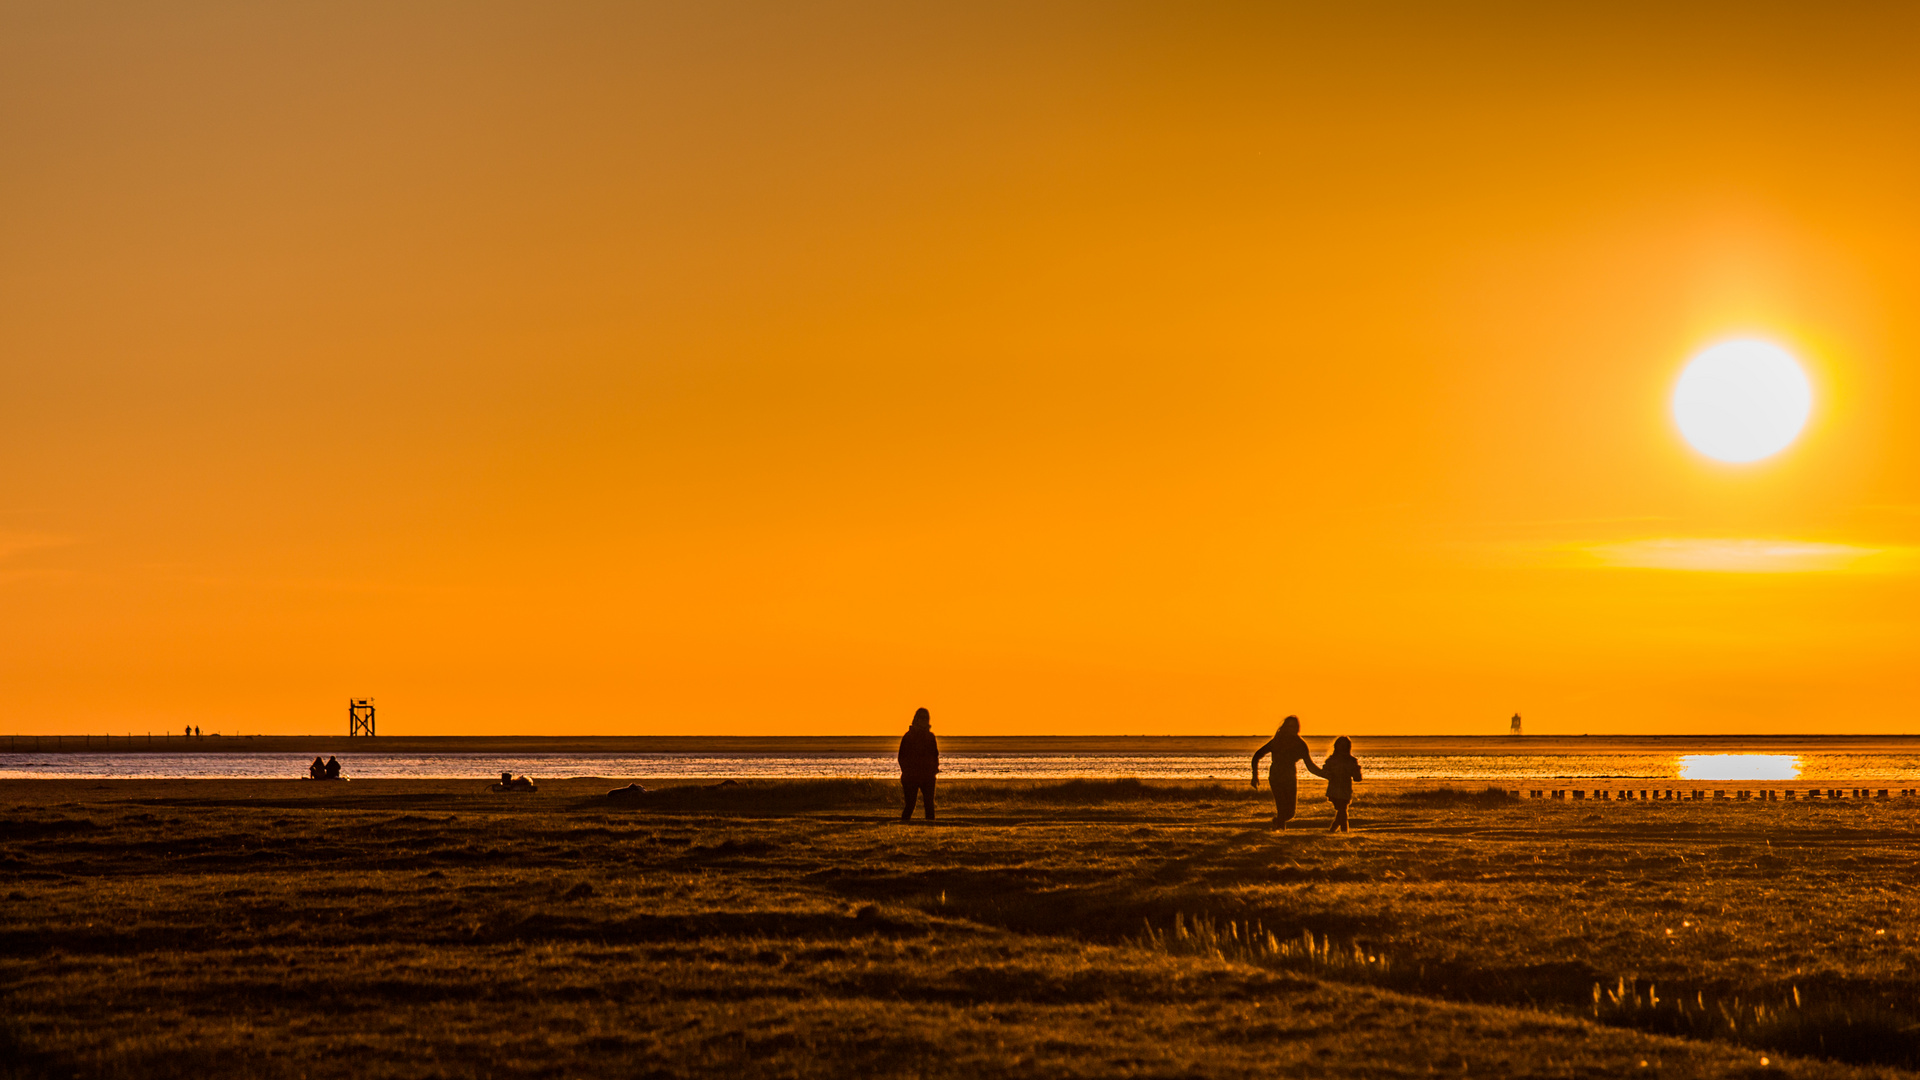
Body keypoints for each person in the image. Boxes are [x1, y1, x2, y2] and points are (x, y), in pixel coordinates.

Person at [1250, 715, 1321, 829]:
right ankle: (1279, 829)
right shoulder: (1277, 741)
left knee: (1290, 813)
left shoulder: (1300, 743)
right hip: (1276, 776)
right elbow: (1257, 755)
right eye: (1289, 726)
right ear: (1284, 727)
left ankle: (1277, 823)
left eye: (1294, 727)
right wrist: (1255, 776)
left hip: (1290, 777)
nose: (1291, 729)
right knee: (1282, 808)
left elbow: (1310, 766)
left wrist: (1326, 775)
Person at [897, 707, 938, 821]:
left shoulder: (930, 737)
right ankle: (903, 827)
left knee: (929, 805)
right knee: (910, 805)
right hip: (911, 777)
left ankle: (931, 830)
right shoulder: (909, 736)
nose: (924, 720)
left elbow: (935, 755)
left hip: (927, 777)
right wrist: (908, 771)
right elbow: (902, 757)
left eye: (925, 718)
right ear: (916, 719)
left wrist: (933, 770)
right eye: (921, 718)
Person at [1320, 736, 1363, 832]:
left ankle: (1336, 830)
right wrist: (1329, 774)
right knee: (1342, 810)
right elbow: (1324, 772)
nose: (1342, 747)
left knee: (1342, 810)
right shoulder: (1331, 760)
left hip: (1345, 789)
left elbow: (1357, 778)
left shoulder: (1351, 760)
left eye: (1345, 745)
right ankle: (1339, 830)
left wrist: (1357, 770)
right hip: (1334, 789)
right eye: (1341, 745)